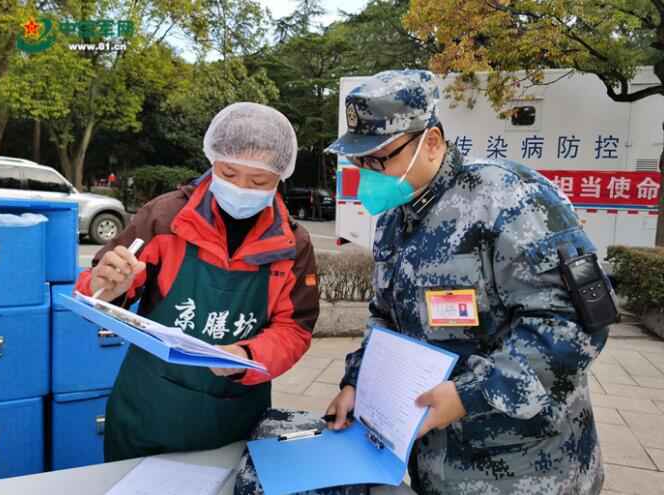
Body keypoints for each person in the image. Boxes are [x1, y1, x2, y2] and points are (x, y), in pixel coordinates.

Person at [323, 70, 609, 494]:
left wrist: (470, 393)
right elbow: (385, 317)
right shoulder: (394, 220)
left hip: (528, 470)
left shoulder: (510, 198)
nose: (367, 172)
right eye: (358, 161)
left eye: (379, 159)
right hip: (435, 464)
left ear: (431, 142)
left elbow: (578, 324)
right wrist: (356, 382)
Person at [75, 102, 320, 461]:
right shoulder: (165, 217)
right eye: (229, 172)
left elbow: (295, 330)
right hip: (148, 411)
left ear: (280, 178)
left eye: (258, 181)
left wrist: (248, 356)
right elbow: (97, 288)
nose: (241, 188)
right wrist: (106, 287)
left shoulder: (292, 245)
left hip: (235, 417)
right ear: (213, 161)